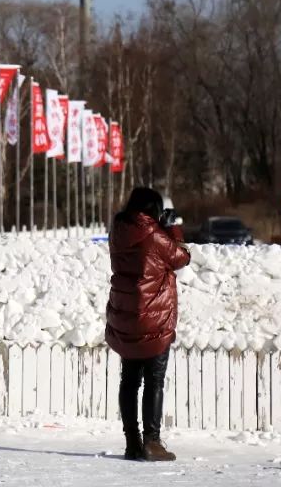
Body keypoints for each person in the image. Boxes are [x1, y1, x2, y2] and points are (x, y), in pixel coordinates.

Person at [105, 186, 191, 461]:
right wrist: (173, 229)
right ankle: (152, 443)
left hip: (126, 315)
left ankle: (132, 443)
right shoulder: (154, 234)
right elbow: (181, 257)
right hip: (154, 318)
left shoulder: (118, 231)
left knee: (129, 381)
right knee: (154, 380)